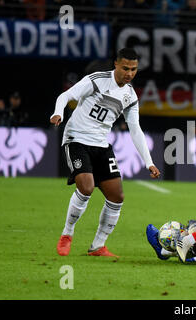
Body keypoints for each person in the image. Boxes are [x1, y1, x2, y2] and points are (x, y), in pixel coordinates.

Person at [50, 48, 161, 258]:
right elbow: (66, 96)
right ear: (116, 65)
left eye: (134, 69)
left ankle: (98, 246)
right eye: (126, 68)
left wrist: (149, 162)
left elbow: (135, 129)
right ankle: (67, 234)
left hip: (101, 145)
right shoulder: (97, 80)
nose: (129, 73)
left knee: (117, 196)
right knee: (86, 186)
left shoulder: (130, 95)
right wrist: (58, 112)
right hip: (77, 140)